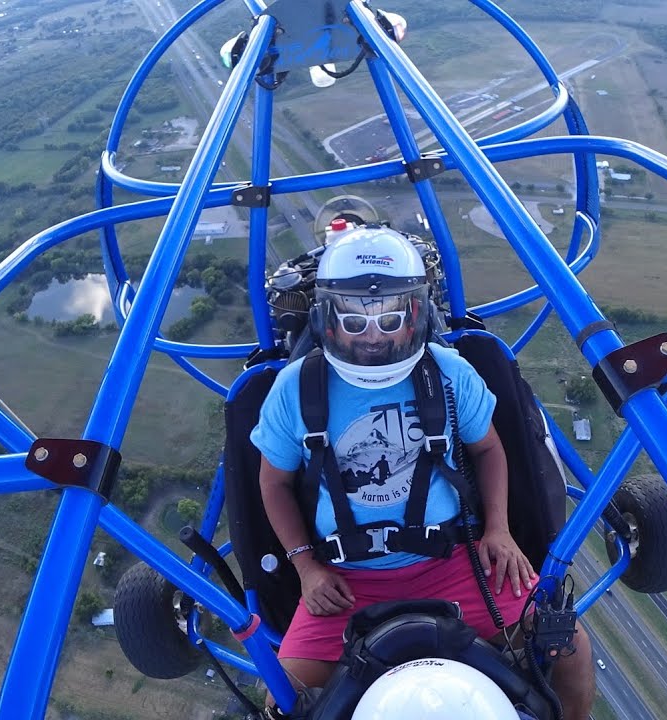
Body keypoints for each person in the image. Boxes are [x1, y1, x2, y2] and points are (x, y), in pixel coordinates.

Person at [251, 226, 595, 720]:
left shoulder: (448, 373)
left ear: (415, 314)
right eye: (355, 320)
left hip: (453, 561)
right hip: (347, 578)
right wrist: (306, 567)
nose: (373, 336)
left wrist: (497, 530)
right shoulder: (295, 389)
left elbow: (489, 451)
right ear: (328, 317)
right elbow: (274, 483)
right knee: (280, 700)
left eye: (390, 320)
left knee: (567, 644)